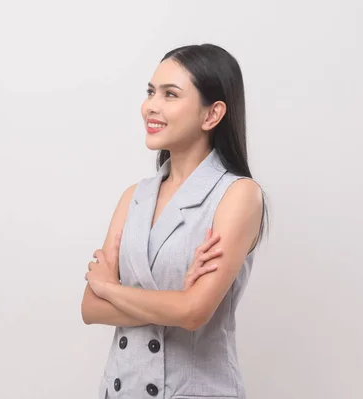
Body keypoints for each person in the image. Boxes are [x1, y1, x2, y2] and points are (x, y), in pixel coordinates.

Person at [81, 43, 268, 399]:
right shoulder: (134, 196)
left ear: (211, 115)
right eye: (151, 92)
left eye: (170, 94)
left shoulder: (238, 195)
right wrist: (175, 302)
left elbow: (195, 312)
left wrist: (110, 289)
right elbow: (90, 308)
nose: (151, 105)